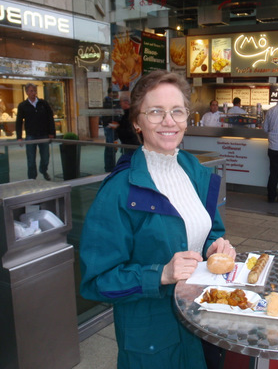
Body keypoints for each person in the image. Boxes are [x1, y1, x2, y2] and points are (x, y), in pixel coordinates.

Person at [79, 71, 235, 369]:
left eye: (177, 111)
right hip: (151, 339)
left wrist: (216, 247)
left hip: (200, 320)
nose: (169, 121)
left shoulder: (195, 171)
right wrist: (161, 273)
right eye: (155, 112)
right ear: (137, 122)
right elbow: (97, 282)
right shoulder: (119, 190)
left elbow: (210, 230)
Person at [16, 83, 56, 180]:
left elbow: (50, 118)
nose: (33, 93)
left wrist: (52, 133)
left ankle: (43, 170)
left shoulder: (43, 103)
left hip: (43, 134)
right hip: (31, 135)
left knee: (45, 156)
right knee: (31, 159)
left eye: (35, 90)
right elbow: (19, 121)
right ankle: (32, 178)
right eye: (31, 91)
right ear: (26, 92)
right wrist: (19, 137)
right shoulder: (23, 106)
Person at [102, 88, 117, 172]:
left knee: (111, 146)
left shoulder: (109, 102)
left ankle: (109, 165)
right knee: (110, 147)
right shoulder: (108, 102)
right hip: (109, 126)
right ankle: (109, 166)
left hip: (110, 125)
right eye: (114, 93)